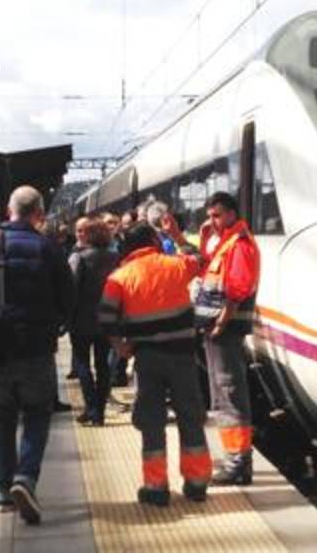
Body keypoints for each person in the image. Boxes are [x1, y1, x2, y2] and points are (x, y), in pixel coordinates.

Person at [0, 185, 75, 524]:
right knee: (38, 414)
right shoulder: (49, 248)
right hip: (36, 348)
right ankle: (26, 477)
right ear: (39, 212)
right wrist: (56, 323)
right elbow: (69, 298)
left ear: (9, 210)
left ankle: (3, 492)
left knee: (2, 416)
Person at [98, 223, 211, 506]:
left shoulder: (119, 277)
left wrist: (119, 346)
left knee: (151, 421)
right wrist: (176, 235)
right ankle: (197, 483)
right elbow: (201, 260)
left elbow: (106, 318)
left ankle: (156, 487)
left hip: (147, 359)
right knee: (190, 416)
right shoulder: (177, 264)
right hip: (183, 356)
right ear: (152, 241)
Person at [193, 191, 260, 486]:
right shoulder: (225, 243)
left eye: (217, 215)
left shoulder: (240, 244)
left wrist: (221, 321)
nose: (212, 221)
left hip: (226, 330)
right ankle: (233, 456)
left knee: (229, 392)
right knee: (222, 393)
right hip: (216, 329)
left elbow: (237, 288)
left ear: (232, 213)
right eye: (209, 215)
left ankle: (239, 464)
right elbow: (208, 271)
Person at [68, 215, 120, 426]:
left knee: (82, 363)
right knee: (103, 365)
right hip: (107, 318)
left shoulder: (78, 258)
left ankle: (92, 408)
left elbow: (70, 289)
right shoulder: (115, 257)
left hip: (81, 319)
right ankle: (99, 410)